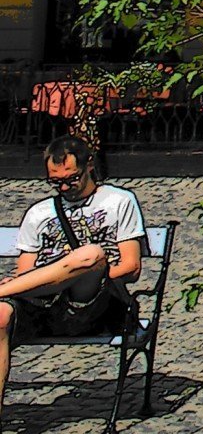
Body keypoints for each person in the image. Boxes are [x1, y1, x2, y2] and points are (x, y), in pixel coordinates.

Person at [0, 138, 145, 409]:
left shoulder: (119, 201)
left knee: (91, 255)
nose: (65, 188)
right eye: (56, 182)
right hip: (45, 305)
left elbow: (131, 267)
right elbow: (26, 273)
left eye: (72, 179)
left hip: (92, 301)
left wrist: (77, 273)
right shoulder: (38, 213)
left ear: (89, 165)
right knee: (0, 314)